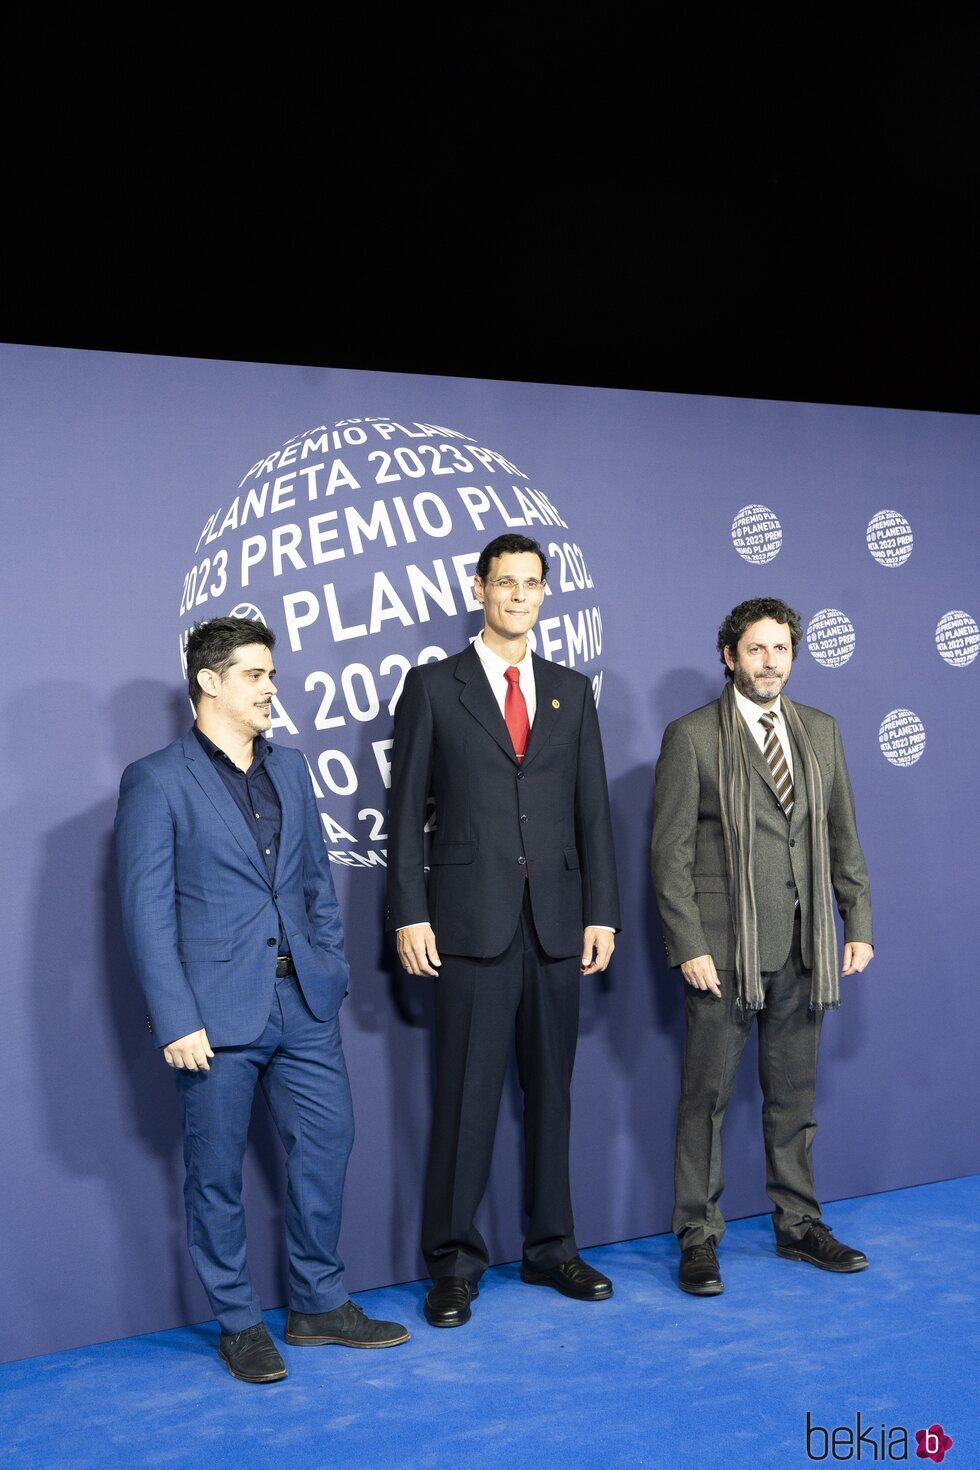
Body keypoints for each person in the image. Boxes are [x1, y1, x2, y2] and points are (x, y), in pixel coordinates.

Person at [115, 616, 408, 1381]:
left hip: (304, 1003)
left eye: (272, 674)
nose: (272, 688)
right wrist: (176, 1017)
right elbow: (146, 912)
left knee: (328, 1146)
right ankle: (240, 1321)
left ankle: (316, 1302)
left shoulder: (292, 768)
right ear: (210, 682)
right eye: (256, 674)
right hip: (214, 1016)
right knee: (215, 1174)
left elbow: (315, 882)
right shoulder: (156, 779)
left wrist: (331, 967)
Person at [387, 534, 621, 1328]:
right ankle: (453, 1263)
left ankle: (553, 1248)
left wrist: (602, 912)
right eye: (505, 583)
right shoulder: (431, 688)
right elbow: (404, 817)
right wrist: (410, 912)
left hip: (556, 925)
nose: (518, 596)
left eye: (531, 584)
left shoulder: (571, 690)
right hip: (468, 926)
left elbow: (593, 810)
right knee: (465, 1101)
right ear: (479, 590)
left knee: (552, 1095)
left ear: (544, 594)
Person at [650, 597, 874, 1296]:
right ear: (730, 657)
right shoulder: (692, 737)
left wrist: (856, 920)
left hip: (806, 946)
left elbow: (842, 836)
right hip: (721, 953)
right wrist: (687, 943)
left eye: (780, 649)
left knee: (793, 1098)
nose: (769, 661)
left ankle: (798, 1225)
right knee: (706, 1099)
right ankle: (698, 1234)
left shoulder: (821, 732)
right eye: (756, 649)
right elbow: (669, 856)